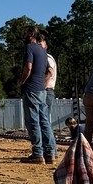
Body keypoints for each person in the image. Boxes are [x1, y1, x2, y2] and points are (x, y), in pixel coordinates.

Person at [17, 26, 52, 164]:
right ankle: (50, 153)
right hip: (41, 90)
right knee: (44, 121)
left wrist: (21, 81)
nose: (22, 36)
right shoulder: (43, 51)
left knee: (33, 122)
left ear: (31, 34)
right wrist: (43, 84)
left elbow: (28, 67)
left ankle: (37, 153)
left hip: (31, 89)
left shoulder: (29, 48)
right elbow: (50, 70)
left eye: (24, 33)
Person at [37, 30, 59, 159]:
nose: (38, 46)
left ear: (46, 45)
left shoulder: (46, 57)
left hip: (47, 91)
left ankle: (51, 151)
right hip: (46, 91)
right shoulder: (43, 57)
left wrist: (42, 86)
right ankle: (50, 150)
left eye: (41, 43)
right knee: (43, 121)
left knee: (43, 121)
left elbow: (49, 72)